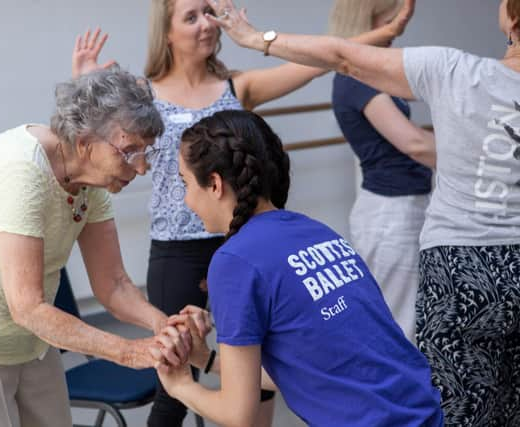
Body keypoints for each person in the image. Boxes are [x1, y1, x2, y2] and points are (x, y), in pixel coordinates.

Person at [70, 3, 417, 425]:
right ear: (166, 32)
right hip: (178, 253)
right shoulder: (144, 96)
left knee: (262, 371)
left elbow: (323, 62)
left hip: (242, 241)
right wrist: (84, 84)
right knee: (173, 386)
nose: (206, 25)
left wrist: (382, 35)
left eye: (209, 13)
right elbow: (97, 142)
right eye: (191, 16)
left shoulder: (237, 87)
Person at [208, 0, 520, 424]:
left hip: (461, 271)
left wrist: (254, 37)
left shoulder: (456, 70)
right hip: (491, 257)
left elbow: (342, 55)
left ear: (512, 18)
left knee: (460, 405)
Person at [0, 67, 190, 427]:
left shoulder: (93, 181)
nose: (143, 167)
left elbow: (113, 284)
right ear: (85, 142)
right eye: (131, 151)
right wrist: (128, 351)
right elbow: (27, 307)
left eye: (146, 152)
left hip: (29, 337)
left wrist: (161, 326)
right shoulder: (21, 171)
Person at [151, 109, 443, 427]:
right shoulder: (314, 231)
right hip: (426, 413)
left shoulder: (234, 261)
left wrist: (180, 385)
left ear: (215, 184)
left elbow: (238, 415)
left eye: (186, 184)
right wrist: (206, 361)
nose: (187, 201)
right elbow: (312, 372)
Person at [329, 0, 436, 343]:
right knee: (399, 329)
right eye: (392, 21)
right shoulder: (355, 76)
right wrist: (478, 157)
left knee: (406, 323)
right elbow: (413, 144)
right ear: (369, 19)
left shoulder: (369, 72)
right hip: (391, 214)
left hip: (400, 207)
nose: (397, 29)